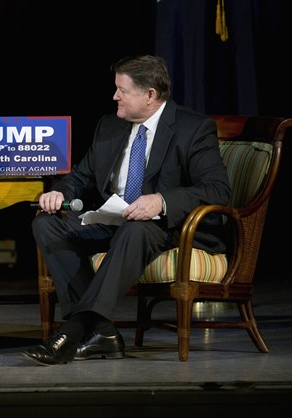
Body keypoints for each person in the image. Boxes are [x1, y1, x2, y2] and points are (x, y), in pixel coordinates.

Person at [23, 54, 231, 365]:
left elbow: (217, 189)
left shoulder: (193, 128)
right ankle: (103, 332)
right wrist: (58, 192)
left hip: (168, 228)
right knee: (47, 224)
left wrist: (160, 200)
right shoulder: (110, 125)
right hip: (114, 220)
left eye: (122, 90)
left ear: (150, 95)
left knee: (136, 229)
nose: (114, 96)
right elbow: (80, 176)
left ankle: (73, 330)